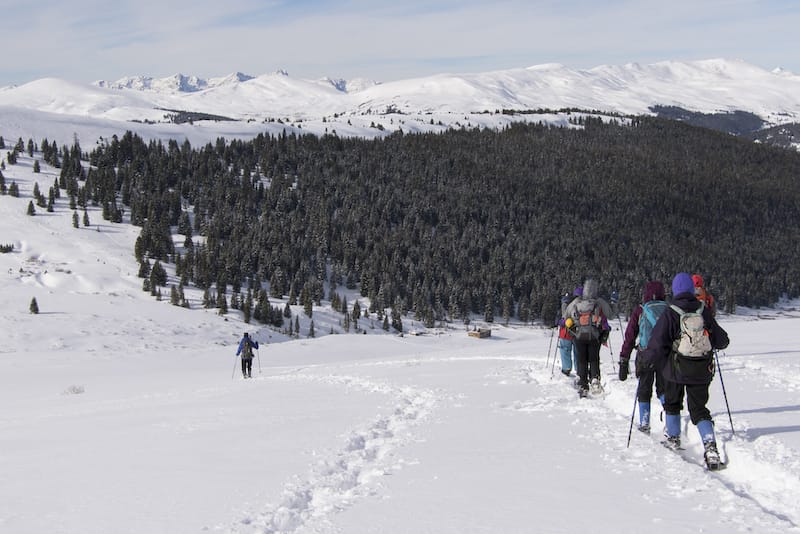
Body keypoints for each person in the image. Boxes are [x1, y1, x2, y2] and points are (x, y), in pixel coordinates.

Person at [641, 272, 730, 470]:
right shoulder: (702, 310)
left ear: (674, 290)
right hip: (701, 370)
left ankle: (674, 438)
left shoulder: (670, 312)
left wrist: (644, 360)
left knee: (672, 404)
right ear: (691, 289)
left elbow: (657, 344)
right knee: (699, 409)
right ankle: (710, 446)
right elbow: (722, 340)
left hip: (674, 370)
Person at [618, 280, 668, 433]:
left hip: (645, 355)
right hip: (665, 356)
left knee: (644, 389)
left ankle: (645, 421)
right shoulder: (669, 310)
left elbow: (630, 336)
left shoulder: (640, 310)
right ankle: (670, 418)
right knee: (664, 390)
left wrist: (624, 358)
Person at [564, 279, 613, 397]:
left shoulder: (576, 303)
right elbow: (610, 314)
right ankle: (595, 379)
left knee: (581, 359)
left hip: (579, 335)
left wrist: (564, 303)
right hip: (594, 335)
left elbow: (566, 315)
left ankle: (582, 383)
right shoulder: (598, 302)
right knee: (594, 358)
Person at [557, 287, 582, 376]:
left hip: (565, 332)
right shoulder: (584, 306)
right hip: (578, 332)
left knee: (565, 350)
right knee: (578, 351)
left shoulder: (567, 305)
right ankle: (579, 369)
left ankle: (566, 369)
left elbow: (562, 319)